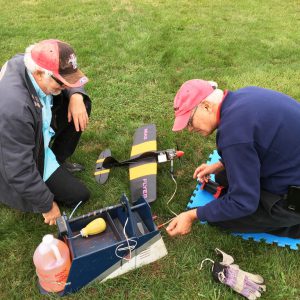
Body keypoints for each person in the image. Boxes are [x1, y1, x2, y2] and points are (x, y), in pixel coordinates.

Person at [167, 79, 300, 238]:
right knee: (222, 177)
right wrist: (220, 164)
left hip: (294, 199)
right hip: (290, 164)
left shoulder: (233, 137)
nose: (189, 129)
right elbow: (259, 141)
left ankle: (293, 224)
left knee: (221, 219)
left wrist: (193, 215)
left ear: (206, 106)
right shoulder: (244, 95)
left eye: (189, 121)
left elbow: (243, 202)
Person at [0, 39, 91, 225]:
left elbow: (70, 79)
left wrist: (76, 95)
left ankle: (57, 161)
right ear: (40, 73)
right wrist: (47, 204)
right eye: (61, 82)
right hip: (16, 161)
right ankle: (46, 173)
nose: (66, 86)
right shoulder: (15, 108)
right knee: (80, 196)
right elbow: (18, 169)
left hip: (36, 140)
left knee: (81, 102)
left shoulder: (28, 62)